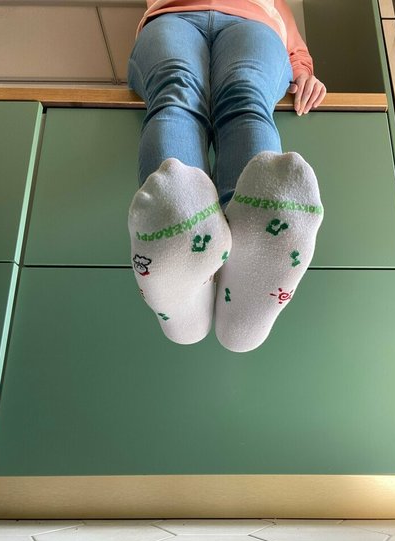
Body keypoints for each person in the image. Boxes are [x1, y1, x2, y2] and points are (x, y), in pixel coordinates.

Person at [127, 1, 326, 353]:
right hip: (172, 12)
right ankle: (191, 250)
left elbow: (289, 31)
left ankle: (223, 259)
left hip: (253, 18)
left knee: (223, 93)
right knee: (192, 91)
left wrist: (302, 68)